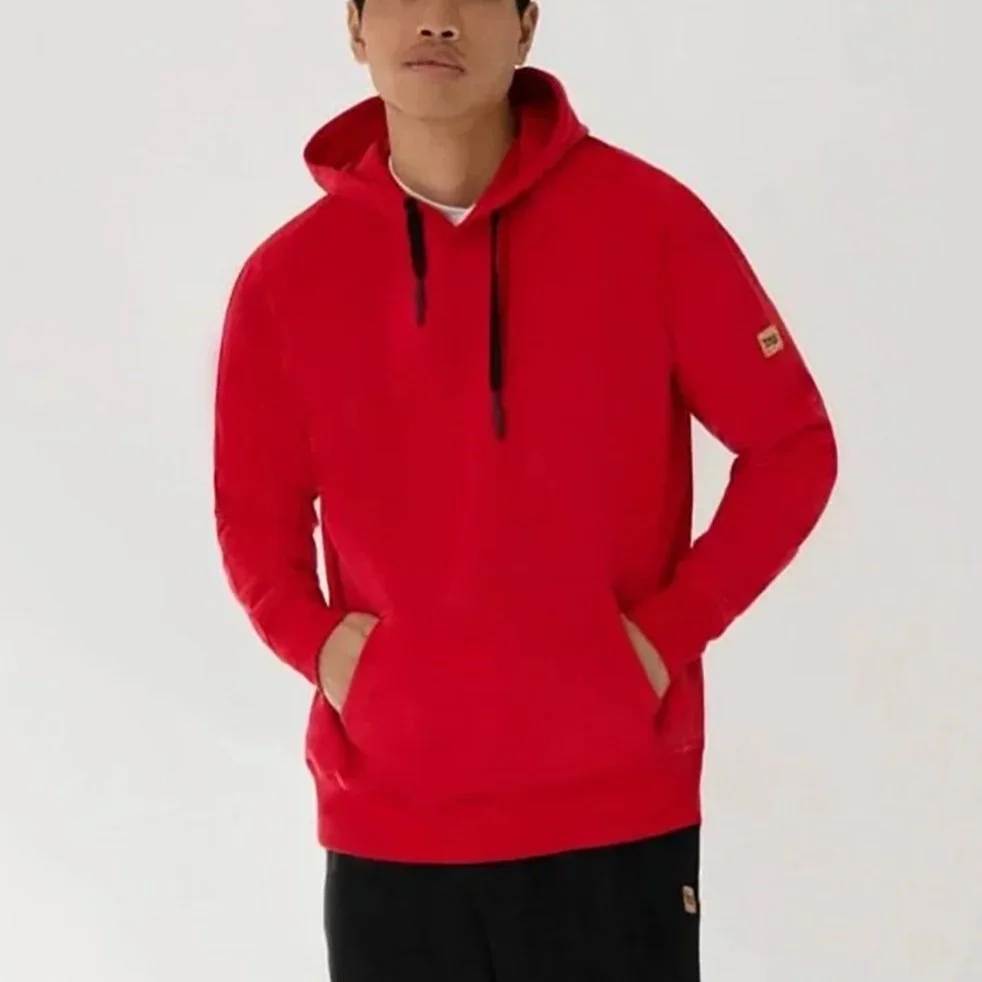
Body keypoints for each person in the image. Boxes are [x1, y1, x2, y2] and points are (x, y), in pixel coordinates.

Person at [212, 1, 838, 978]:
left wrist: (662, 637)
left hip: (612, 809)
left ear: (527, 25)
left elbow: (791, 446)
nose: (439, 19)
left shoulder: (650, 222)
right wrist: (326, 653)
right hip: (390, 823)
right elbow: (254, 518)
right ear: (357, 26)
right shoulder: (286, 278)